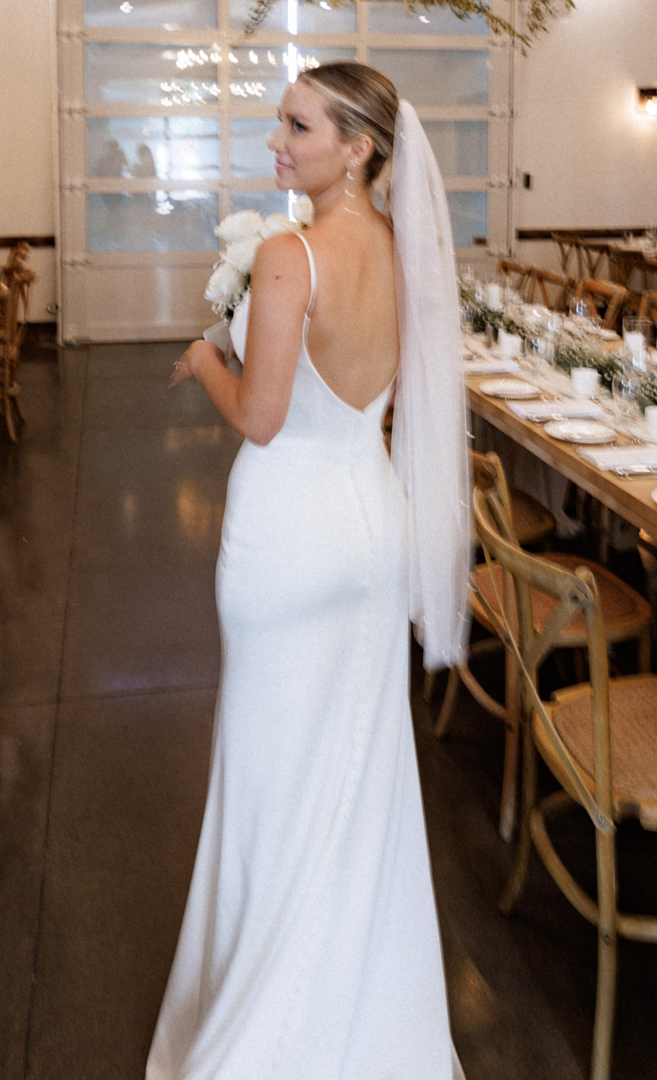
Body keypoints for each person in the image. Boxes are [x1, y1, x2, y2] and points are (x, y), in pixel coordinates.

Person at [148, 61, 469, 1080]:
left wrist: (205, 358)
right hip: (370, 526)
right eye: (278, 122)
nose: (276, 142)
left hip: (288, 540)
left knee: (268, 771)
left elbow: (262, 416)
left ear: (360, 147)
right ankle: (369, 1013)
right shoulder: (397, 247)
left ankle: (261, 1029)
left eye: (297, 126)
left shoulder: (291, 254)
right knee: (359, 772)